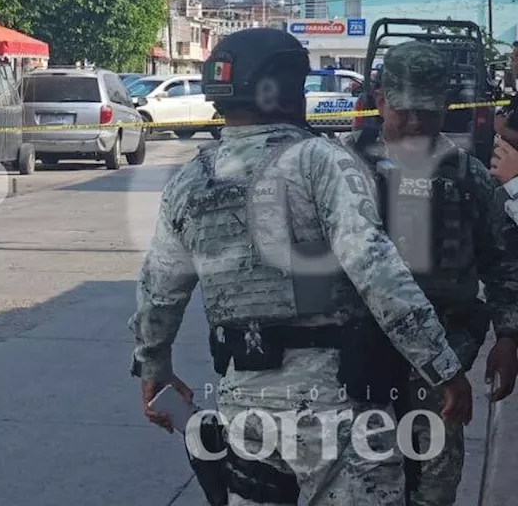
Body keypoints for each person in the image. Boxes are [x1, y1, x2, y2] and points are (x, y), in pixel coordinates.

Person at [129, 28, 471, 506]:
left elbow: (158, 292)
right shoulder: (322, 162)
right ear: (289, 90)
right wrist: (442, 367)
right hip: (337, 411)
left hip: (244, 415)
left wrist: (155, 368)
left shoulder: (190, 182)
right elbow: (379, 274)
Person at [342, 42, 518, 506]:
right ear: (380, 100)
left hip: (443, 365)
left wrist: (509, 336)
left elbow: (503, 262)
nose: (416, 122)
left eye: (428, 111)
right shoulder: (340, 170)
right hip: (355, 366)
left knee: (433, 492)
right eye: (404, 110)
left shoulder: (468, 178)